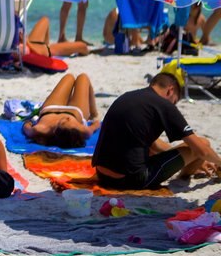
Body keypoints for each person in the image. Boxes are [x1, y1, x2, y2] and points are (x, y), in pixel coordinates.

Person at [93, 73, 221, 189]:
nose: (174, 105)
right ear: (170, 90)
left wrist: (190, 158)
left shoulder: (130, 96)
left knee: (192, 150)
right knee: (203, 143)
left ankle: (190, 166)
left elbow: (154, 144)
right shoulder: (165, 105)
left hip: (102, 174)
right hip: (130, 179)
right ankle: (184, 175)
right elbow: (202, 151)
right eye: (175, 101)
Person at [22, 73, 100, 148]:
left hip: (50, 109)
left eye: (63, 123)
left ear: (56, 131)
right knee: (83, 77)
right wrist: (95, 121)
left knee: (69, 77)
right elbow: (96, 124)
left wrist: (29, 122)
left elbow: (26, 127)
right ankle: (94, 113)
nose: (67, 118)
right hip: (75, 112)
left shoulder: (41, 129)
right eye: (71, 123)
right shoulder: (83, 131)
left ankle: (69, 100)